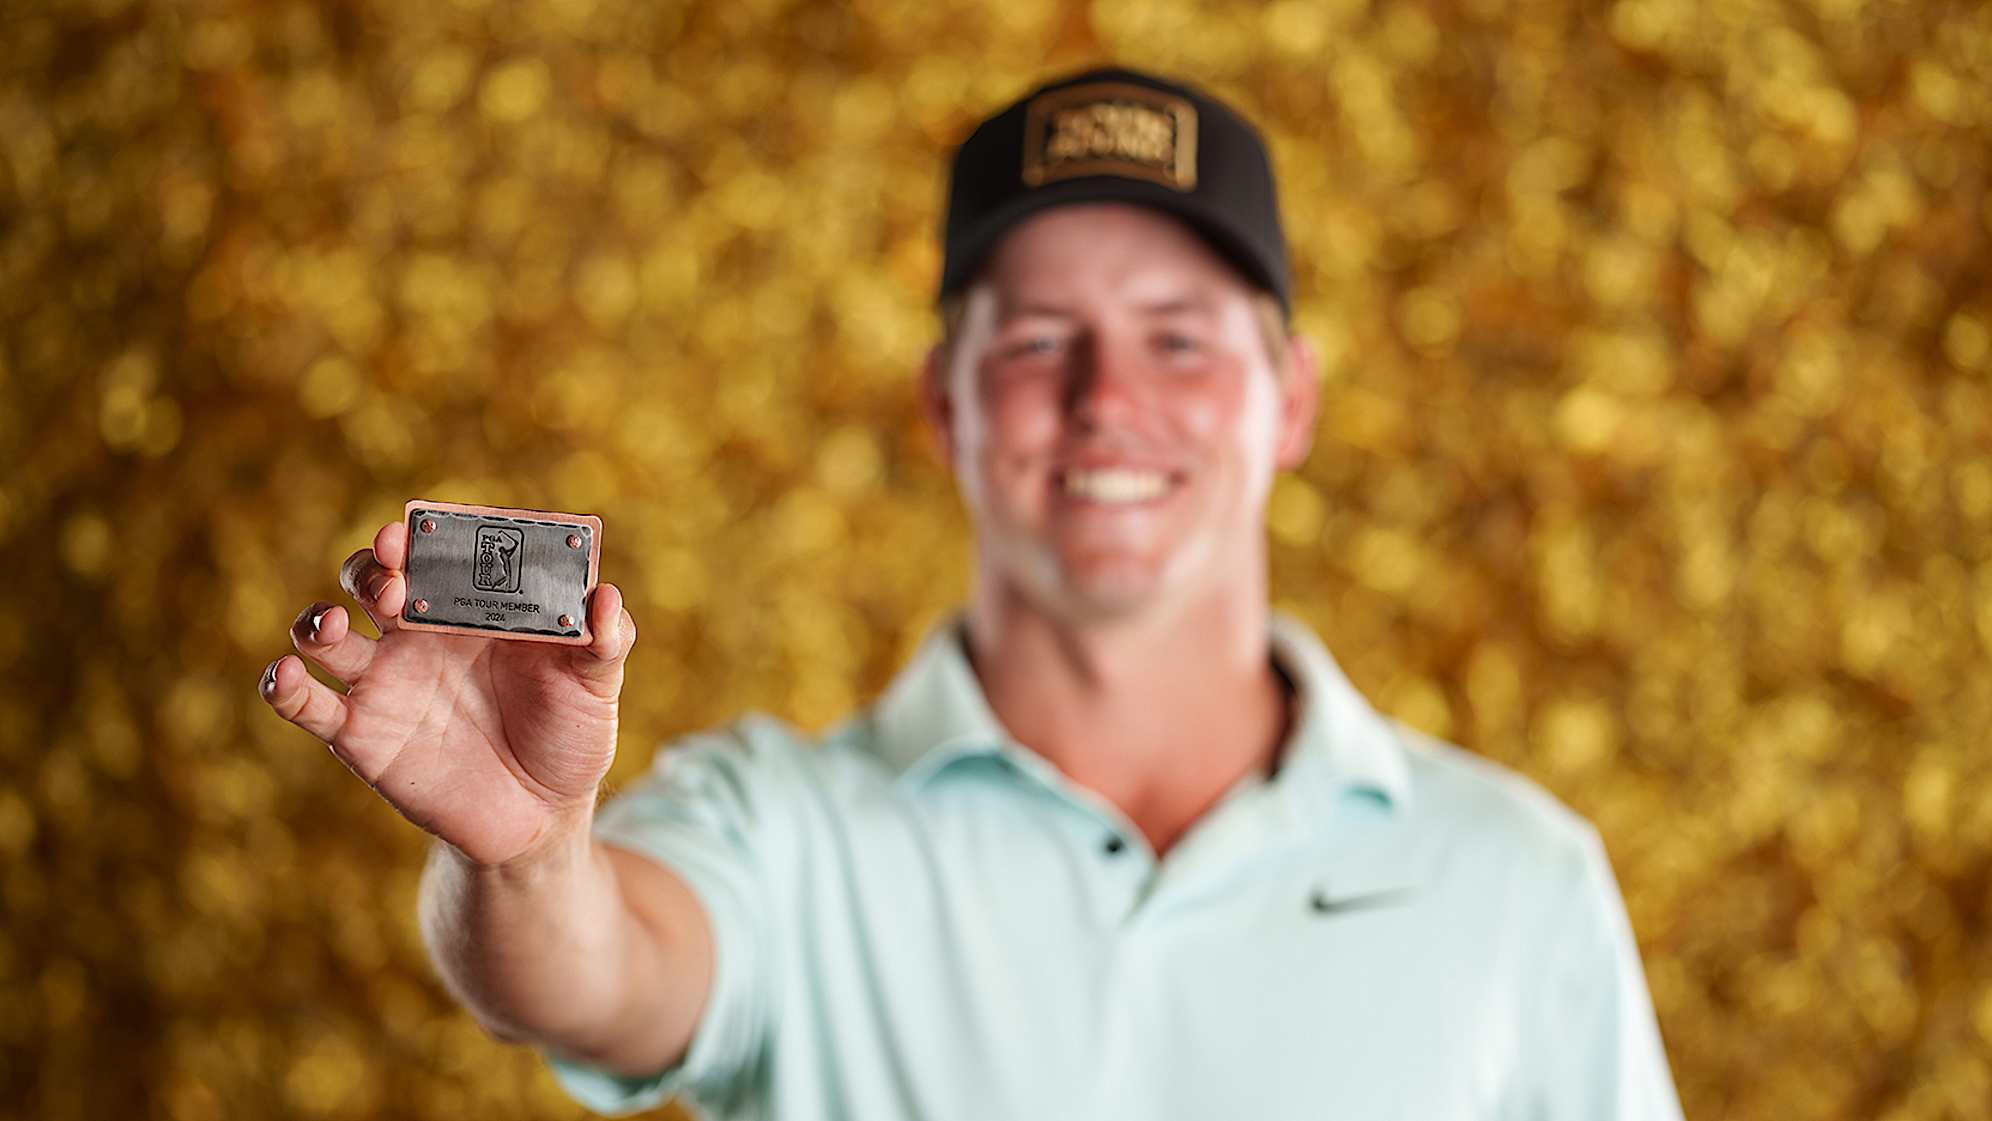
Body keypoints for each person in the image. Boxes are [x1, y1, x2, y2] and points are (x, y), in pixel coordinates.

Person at [260, 67, 1686, 1120]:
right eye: (1039, 339)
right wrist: (523, 851)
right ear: (944, 404)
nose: (1106, 400)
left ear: (1291, 401)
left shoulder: (1519, 881)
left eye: (1180, 340)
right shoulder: (784, 831)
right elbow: (599, 969)